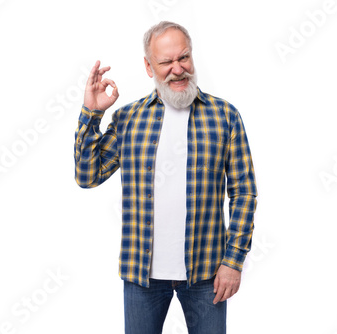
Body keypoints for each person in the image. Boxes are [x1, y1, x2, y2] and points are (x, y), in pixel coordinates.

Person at [74, 21, 257, 334]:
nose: (178, 69)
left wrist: (233, 261)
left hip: (207, 274)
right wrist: (92, 112)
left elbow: (243, 192)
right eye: (166, 62)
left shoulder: (224, 115)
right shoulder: (129, 118)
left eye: (183, 58)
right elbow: (87, 175)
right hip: (141, 276)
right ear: (149, 66)